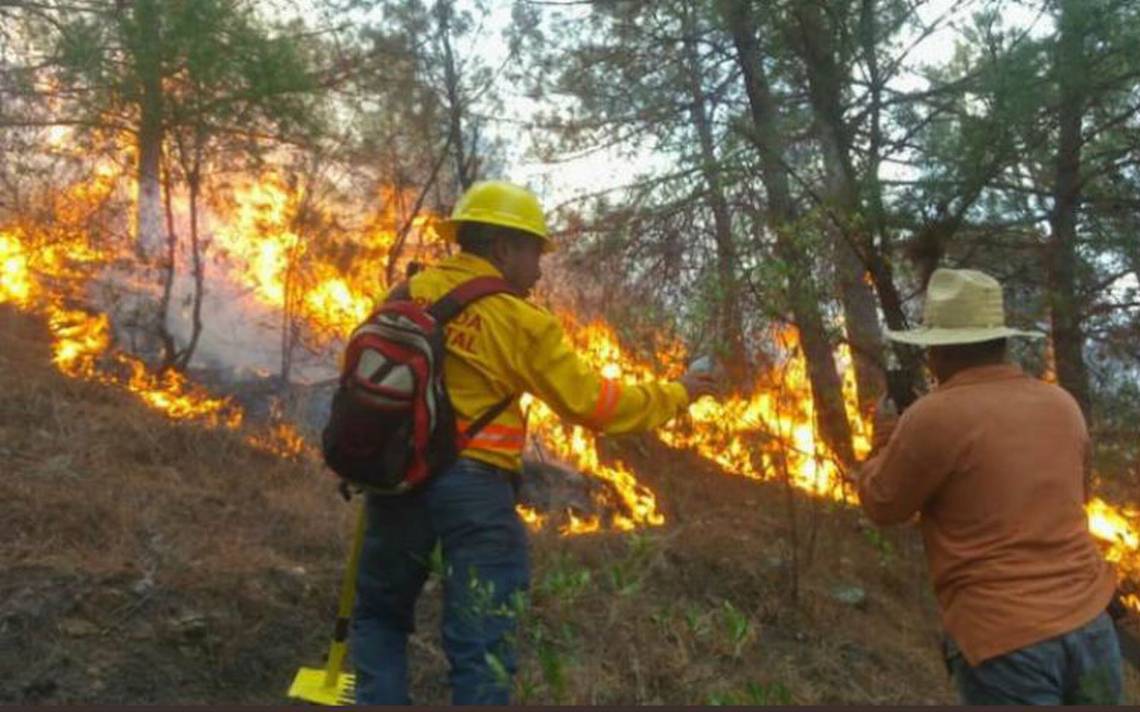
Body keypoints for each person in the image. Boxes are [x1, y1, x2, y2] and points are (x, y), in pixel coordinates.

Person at [352, 180, 720, 705]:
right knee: (483, 641)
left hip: (395, 480)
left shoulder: (405, 295)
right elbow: (595, 406)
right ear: (503, 248)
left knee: (380, 618)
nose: (540, 268)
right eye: (534, 252)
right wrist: (677, 394)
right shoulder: (521, 321)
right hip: (473, 492)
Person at [857, 268, 1122, 705]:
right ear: (1001, 343)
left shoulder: (933, 416)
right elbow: (1078, 496)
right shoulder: (1062, 405)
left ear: (937, 353)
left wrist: (883, 442)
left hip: (1007, 644)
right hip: (1092, 627)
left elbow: (883, 505)